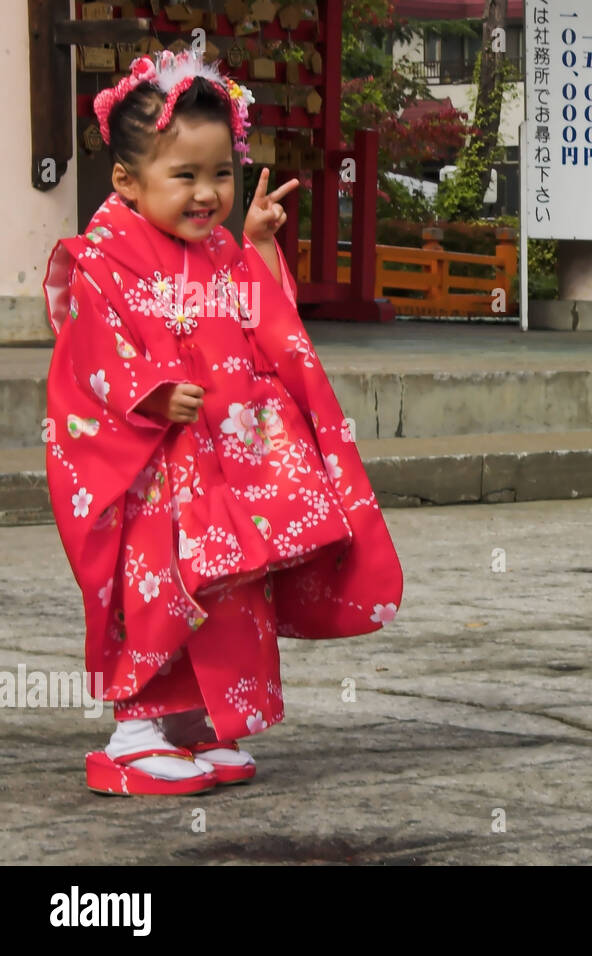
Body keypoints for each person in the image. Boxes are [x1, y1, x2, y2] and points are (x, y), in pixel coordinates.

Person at [43, 51, 403, 795]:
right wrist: (147, 392)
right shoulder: (101, 262)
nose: (208, 195)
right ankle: (135, 729)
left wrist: (263, 247)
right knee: (158, 587)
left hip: (215, 471)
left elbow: (262, 324)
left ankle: (195, 721)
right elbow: (87, 355)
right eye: (185, 176)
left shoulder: (221, 255)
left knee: (228, 589)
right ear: (126, 181)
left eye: (221, 175)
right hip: (146, 475)